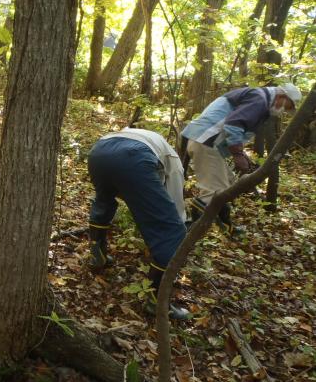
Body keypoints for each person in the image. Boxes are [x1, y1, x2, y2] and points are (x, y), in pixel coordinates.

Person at [87, 128, 190, 320]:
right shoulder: (174, 161)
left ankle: (96, 255)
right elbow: (175, 203)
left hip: (98, 152)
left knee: (104, 201)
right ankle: (157, 301)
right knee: (172, 229)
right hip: (132, 157)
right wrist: (178, 226)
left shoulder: (146, 138)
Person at [182, 84, 302, 235]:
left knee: (228, 184)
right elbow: (233, 124)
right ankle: (189, 232)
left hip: (206, 141)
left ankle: (226, 227)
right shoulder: (259, 100)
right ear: (281, 97)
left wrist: (242, 155)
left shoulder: (260, 99)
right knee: (214, 191)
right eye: (286, 106)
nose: (283, 111)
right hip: (206, 141)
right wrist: (238, 154)